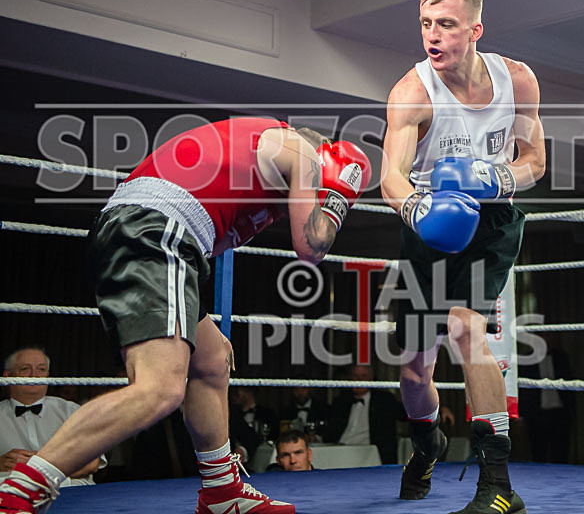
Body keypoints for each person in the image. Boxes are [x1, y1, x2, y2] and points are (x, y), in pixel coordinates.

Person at [0, 118, 372, 514]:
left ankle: (221, 491)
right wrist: (335, 196)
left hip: (153, 235)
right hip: (157, 232)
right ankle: (23, 488)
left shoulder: (253, 155)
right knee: (159, 389)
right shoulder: (301, 152)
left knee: (211, 359)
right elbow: (311, 247)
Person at [380, 0, 545, 514]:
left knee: (466, 327)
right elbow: (391, 177)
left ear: (476, 28)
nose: (433, 35)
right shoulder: (411, 92)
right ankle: (428, 441)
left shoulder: (517, 80)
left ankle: (497, 483)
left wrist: (497, 179)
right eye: (426, 23)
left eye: (446, 24)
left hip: (492, 223)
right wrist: (419, 210)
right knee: (413, 370)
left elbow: (534, 162)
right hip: (430, 225)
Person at [0, 348, 105, 486]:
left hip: (73, 493)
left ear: (48, 376)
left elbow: (92, 464)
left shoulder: (73, 411)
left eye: (41, 369)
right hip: (10, 496)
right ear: (7, 376)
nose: (34, 375)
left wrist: (35, 468)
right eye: (25, 368)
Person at [327, 365, 408, 464]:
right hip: (342, 451)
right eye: (356, 376)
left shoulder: (384, 400)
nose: (359, 380)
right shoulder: (341, 400)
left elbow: (405, 414)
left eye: (363, 376)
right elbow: (331, 428)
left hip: (371, 453)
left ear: (371, 379)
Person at [517, 335, 574, 463]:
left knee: (561, 453)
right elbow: (523, 389)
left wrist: (571, 410)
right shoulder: (527, 359)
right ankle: (538, 482)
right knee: (538, 452)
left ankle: (562, 481)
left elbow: (570, 385)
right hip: (537, 414)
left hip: (559, 412)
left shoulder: (561, 358)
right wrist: (521, 415)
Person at [229, 387, 279, 472]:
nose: (232, 395)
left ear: (248, 390)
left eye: (236, 391)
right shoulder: (233, 412)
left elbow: (251, 437)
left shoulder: (267, 412)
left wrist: (242, 450)